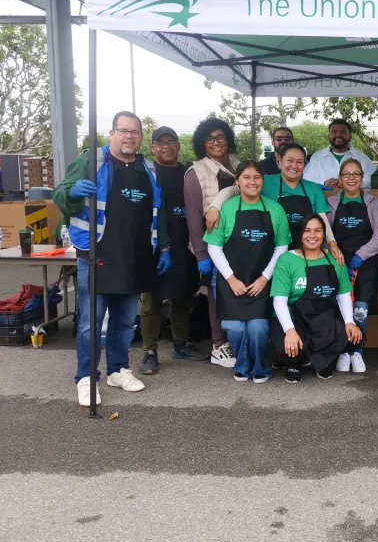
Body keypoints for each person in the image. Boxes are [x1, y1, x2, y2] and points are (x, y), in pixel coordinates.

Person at [53, 111, 171, 407]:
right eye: (123, 130)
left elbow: (160, 210)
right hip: (97, 254)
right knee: (90, 322)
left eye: (135, 131)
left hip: (135, 256)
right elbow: (60, 194)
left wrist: (165, 246)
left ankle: (118, 369)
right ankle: (85, 377)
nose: (129, 136)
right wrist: (73, 192)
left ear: (141, 136)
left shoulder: (148, 168)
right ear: (112, 133)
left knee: (124, 322)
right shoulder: (91, 160)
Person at [203, 160, 291, 383]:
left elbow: (282, 247)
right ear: (237, 181)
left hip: (261, 281)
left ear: (263, 180)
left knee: (258, 328)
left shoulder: (275, 209)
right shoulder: (227, 208)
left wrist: (265, 278)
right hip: (231, 280)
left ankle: (260, 367)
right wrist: (231, 278)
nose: (252, 182)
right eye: (247, 177)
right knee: (234, 327)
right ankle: (243, 366)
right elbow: (214, 246)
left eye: (257, 177)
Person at [139, 127, 207, 374]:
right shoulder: (147, 173)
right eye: (160, 142)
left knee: (183, 295)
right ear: (153, 148)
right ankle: (149, 350)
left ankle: (181, 343)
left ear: (179, 146)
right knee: (151, 300)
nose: (166, 146)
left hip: (186, 244)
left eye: (171, 141)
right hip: (155, 246)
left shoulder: (188, 172)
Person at [205, 143, 344, 262]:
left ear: (304, 165)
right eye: (290, 160)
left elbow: (323, 220)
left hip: (305, 249)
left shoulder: (313, 188)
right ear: (280, 162)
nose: (294, 166)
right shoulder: (265, 182)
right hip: (270, 250)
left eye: (299, 162)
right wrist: (215, 206)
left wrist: (332, 244)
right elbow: (233, 190)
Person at [270, 215, 363, 382]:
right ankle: (294, 362)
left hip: (323, 317)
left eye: (317, 231)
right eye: (307, 231)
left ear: (324, 235)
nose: (312, 236)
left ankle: (318, 358)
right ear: (300, 234)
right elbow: (279, 300)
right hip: (294, 318)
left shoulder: (335, 259)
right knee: (288, 348)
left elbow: (343, 294)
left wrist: (350, 321)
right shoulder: (287, 260)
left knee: (354, 336)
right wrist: (289, 330)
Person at [184, 117, 239, 368]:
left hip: (241, 243)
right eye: (210, 138)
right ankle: (219, 344)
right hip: (213, 246)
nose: (216, 142)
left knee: (236, 292)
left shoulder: (238, 165)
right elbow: (194, 217)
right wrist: (201, 254)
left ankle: (234, 339)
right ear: (202, 144)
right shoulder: (196, 173)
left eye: (220, 137)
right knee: (216, 295)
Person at [326, 158, 378, 373]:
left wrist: (360, 256)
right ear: (340, 179)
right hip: (339, 264)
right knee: (341, 307)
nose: (351, 178)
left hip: (366, 265)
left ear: (362, 178)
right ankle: (344, 350)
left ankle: (358, 351)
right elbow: (327, 234)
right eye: (347, 174)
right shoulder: (332, 203)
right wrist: (338, 256)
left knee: (360, 309)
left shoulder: (372, 203)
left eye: (356, 174)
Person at [304, 119, 376, 189]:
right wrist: (324, 183)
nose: (338, 135)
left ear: (350, 137)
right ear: (328, 136)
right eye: (334, 132)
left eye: (343, 132)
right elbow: (307, 179)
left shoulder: (361, 157)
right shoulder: (317, 157)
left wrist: (352, 183)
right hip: (323, 199)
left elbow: (372, 179)